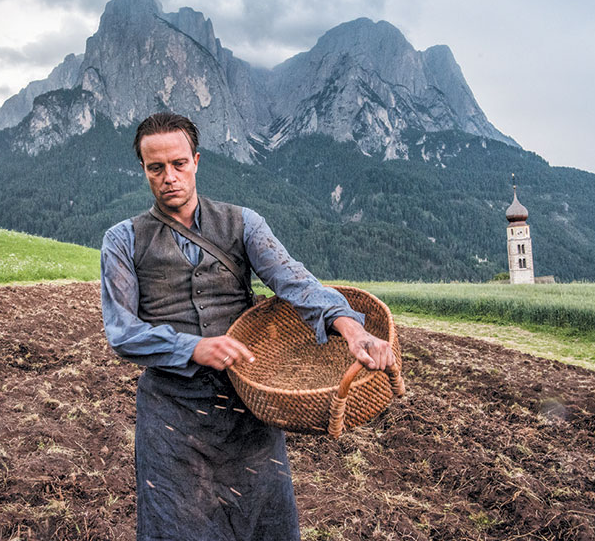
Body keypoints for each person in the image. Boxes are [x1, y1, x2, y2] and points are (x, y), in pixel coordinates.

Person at [100, 112, 396, 541]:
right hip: (171, 416)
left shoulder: (243, 223)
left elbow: (295, 281)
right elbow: (122, 331)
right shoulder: (122, 240)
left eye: (179, 164)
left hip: (247, 407)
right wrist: (192, 348)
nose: (169, 177)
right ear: (144, 169)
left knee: (264, 523)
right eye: (156, 167)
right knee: (177, 528)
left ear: (196, 161)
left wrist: (351, 327)